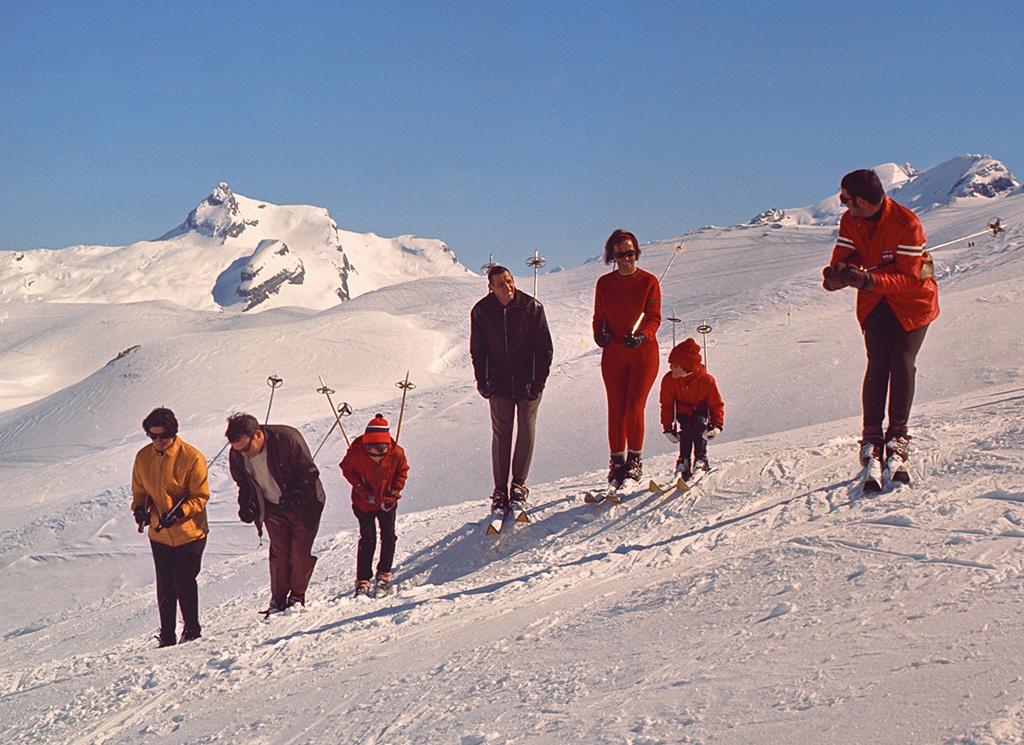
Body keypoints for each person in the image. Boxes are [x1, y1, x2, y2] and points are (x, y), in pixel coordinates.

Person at [822, 168, 938, 485]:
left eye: (845, 198)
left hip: (913, 303)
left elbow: (910, 278)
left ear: (860, 200)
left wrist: (869, 280)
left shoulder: (907, 223)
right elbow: (845, 255)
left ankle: (897, 435)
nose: (843, 204)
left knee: (901, 360)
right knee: (877, 362)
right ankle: (871, 435)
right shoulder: (851, 221)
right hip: (876, 303)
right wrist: (836, 275)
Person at [469, 265, 554, 514]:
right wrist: (483, 379)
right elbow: (478, 349)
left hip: (528, 382)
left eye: (509, 281)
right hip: (499, 383)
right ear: (491, 288)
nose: (507, 287)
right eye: (500, 284)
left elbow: (544, 348)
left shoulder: (532, 307)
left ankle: (518, 485)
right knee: (501, 433)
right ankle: (499, 490)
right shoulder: (482, 311)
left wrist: (538, 380)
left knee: (526, 429)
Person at [226, 413, 325, 614]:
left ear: (258, 435)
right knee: (279, 552)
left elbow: (309, 473)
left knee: (299, 553)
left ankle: (297, 596)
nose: (243, 454)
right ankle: (278, 599)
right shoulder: (237, 453)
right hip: (272, 507)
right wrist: (246, 504)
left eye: (245, 448)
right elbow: (244, 484)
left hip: (305, 505)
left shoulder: (287, 439)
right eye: (238, 450)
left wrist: (295, 495)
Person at [131, 407, 210, 647]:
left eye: (162, 437)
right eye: (152, 436)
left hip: (190, 533)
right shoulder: (143, 457)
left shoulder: (192, 457)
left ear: (173, 433)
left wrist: (180, 514)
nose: (158, 442)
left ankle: (192, 630)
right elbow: (140, 490)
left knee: (184, 581)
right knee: (165, 585)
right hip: (159, 534)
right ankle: (167, 636)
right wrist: (139, 510)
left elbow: (200, 496)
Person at [593, 229, 662, 486]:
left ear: (637, 253)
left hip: (642, 353)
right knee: (616, 407)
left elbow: (654, 317)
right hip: (614, 353)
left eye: (630, 253)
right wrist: (599, 335)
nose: (626, 259)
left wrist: (642, 335)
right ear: (612, 256)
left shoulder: (649, 281)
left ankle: (634, 460)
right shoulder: (604, 284)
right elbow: (599, 317)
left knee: (634, 406)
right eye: (621, 254)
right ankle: (617, 462)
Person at [340, 414, 410, 597]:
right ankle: (363, 579)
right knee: (367, 538)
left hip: (387, 502)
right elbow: (346, 469)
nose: (376, 455)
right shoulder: (356, 452)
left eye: (381, 449)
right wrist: (361, 488)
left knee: (388, 536)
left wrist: (394, 493)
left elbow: (402, 472)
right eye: (371, 449)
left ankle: (384, 574)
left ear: (387, 444)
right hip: (363, 504)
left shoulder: (397, 453)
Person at [659, 338, 725, 480]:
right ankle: (684, 460)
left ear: (686, 367)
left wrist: (717, 425)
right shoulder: (669, 381)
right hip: (683, 412)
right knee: (686, 430)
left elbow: (716, 404)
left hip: (700, 412)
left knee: (699, 425)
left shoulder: (707, 380)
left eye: (675, 366)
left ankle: (701, 459)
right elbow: (667, 405)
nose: (671, 368)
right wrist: (667, 427)